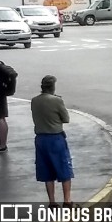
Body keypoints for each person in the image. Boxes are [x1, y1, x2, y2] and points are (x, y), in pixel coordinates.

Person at [31, 75, 75, 207]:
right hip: (55, 138)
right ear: (53, 87)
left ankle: (52, 202)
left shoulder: (34, 100)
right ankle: (67, 201)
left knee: (47, 171)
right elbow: (66, 119)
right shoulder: (57, 101)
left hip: (40, 139)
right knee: (64, 169)